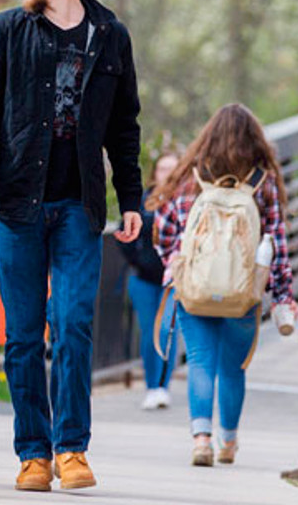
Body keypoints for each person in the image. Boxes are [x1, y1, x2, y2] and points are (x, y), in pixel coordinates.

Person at [0, 0, 143, 492]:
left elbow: (124, 126)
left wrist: (132, 197)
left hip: (78, 207)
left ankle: (72, 449)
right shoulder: (7, 30)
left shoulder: (110, 34)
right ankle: (32, 454)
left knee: (72, 326)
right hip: (15, 203)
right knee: (22, 335)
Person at [149, 103, 296, 467]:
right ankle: (227, 441)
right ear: (254, 139)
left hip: (194, 288)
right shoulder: (261, 182)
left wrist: (176, 263)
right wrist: (281, 294)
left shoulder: (189, 177)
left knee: (200, 361)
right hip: (243, 291)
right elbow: (275, 242)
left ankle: (201, 439)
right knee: (233, 367)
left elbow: (164, 227)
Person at [118, 151, 180, 411]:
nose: (167, 173)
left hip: (174, 280)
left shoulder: (185, 201)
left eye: (172, 169)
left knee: (168, 331)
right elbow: (125, 231)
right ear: (155, 172)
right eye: (163, 168)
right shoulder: (143, 200)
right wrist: (137, 261)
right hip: (144, 278)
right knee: (147, 332)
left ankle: (163, 386)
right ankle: (151, 386)